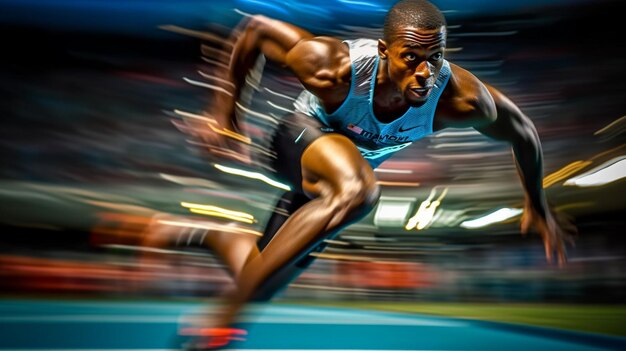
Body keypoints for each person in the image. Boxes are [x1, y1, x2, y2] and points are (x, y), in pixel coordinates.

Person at [176, 0, 576, 348]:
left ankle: (214, 239)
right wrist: (225, 115)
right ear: (385, 50)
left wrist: (536, 203)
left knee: (268, 277)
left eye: (434, 58)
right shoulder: (333, 66)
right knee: (357, 191)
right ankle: (231, 308)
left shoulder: (461, 99)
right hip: (297, 140)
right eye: (411, 58)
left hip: (337, 177)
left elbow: (523, 131)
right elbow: (256, 30)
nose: (425, 73)